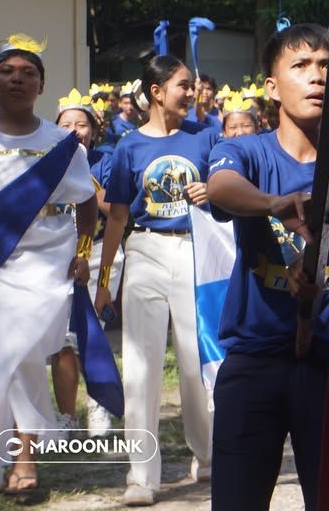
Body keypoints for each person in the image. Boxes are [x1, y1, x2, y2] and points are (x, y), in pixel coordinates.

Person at [0, 36, 96, 495]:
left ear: (41, 85)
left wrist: (85, 255)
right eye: (7, 70)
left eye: (27, 72)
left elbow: (87, 204)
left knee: (26, 356)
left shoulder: (63, 145)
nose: (17, 78)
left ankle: (24, 457)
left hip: (44, 263)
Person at [206, 23, 329, 511]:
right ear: (271, 85)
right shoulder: (246, 150)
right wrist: (274, 203)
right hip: (256, 359)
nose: (316, 77)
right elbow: (221, 188)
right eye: (301, 66)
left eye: (326, 65)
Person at [96, 55, 219, 507]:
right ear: (156, 91)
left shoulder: (207, 138)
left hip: (194, 251)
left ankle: (207, 457)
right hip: (144, 251)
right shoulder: (127, 147)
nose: (193, 92)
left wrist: (215, 190)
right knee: (142, 367)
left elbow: (226, 190)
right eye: (185, 86)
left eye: (193, 86)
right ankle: (141, 475)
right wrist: (104, 280)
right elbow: (118, 218)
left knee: (194, 359)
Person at [55, 88, 124, 437]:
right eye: (66, 124)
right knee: (61, 339)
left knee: (93, 332)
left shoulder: (105, 161)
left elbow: (118, 211)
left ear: (93, 131)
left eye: (81, 124)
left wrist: (94, 194)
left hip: (98, 254)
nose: (74, 130)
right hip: (56, 258)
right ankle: (67, 416)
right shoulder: (46, 161)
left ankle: (99, 407)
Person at [99, 80, 141, 152]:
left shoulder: (142, 121)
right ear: (120, 103)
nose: (130, 106)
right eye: (126, 103)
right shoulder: (112, 123)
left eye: (132, 103)